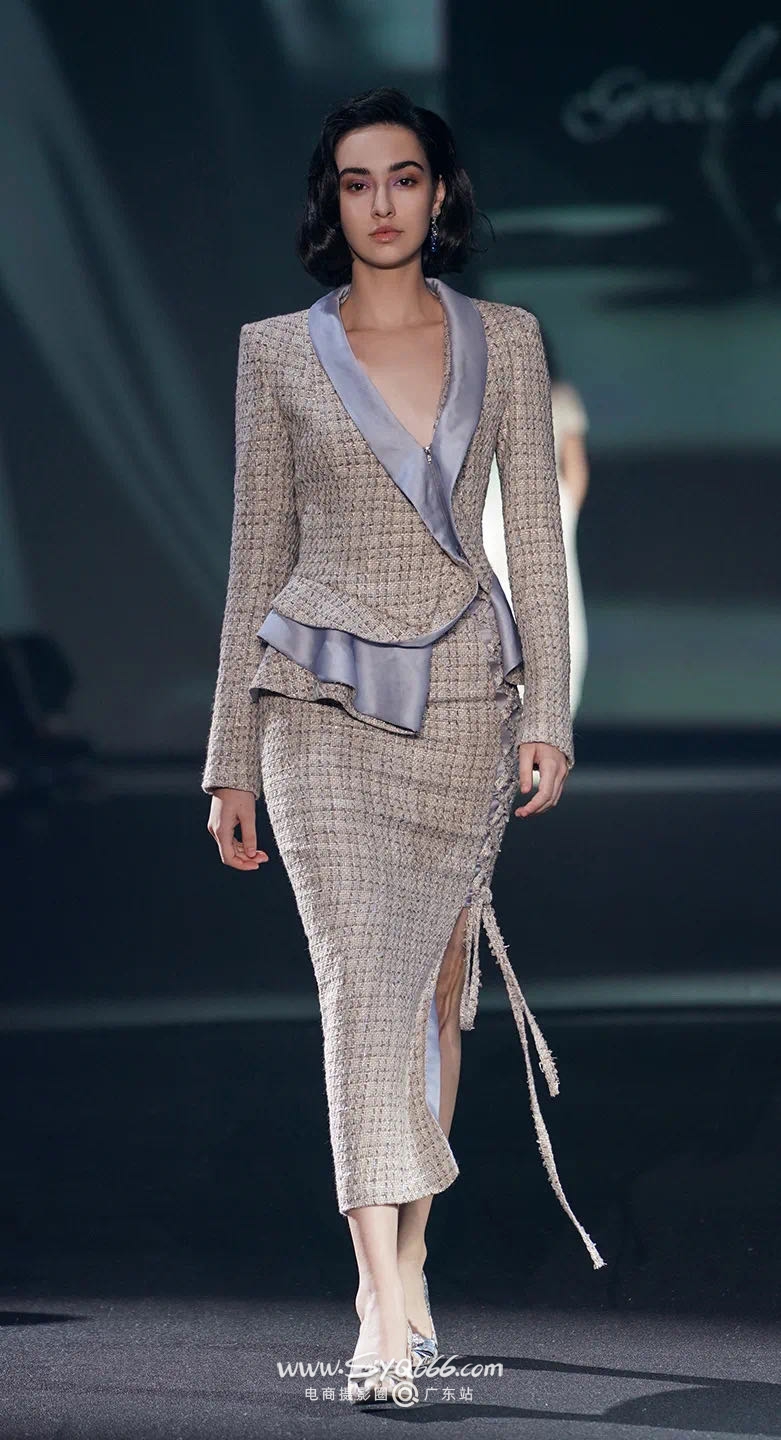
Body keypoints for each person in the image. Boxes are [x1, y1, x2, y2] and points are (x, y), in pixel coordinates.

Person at [202, 86, 605, 1406]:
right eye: (358, 180)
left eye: (406, 176)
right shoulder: (276, 351)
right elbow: (254, 551)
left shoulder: (507, 339)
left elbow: (531, 537)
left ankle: (412, 1261)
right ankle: (380, 1307)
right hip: (316, 702)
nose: (383, 201)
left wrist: (545, 714)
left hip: (465, 701)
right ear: (334, 201)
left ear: (439, 194)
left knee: (435, 992)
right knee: (359, 988)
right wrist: (229, 754)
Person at [482, 327, 591, 714]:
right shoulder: (550, 395)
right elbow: (576, 471)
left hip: (507, 510)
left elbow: (575, 469)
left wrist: (565, 510)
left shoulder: (487, 392)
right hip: (509, 511)